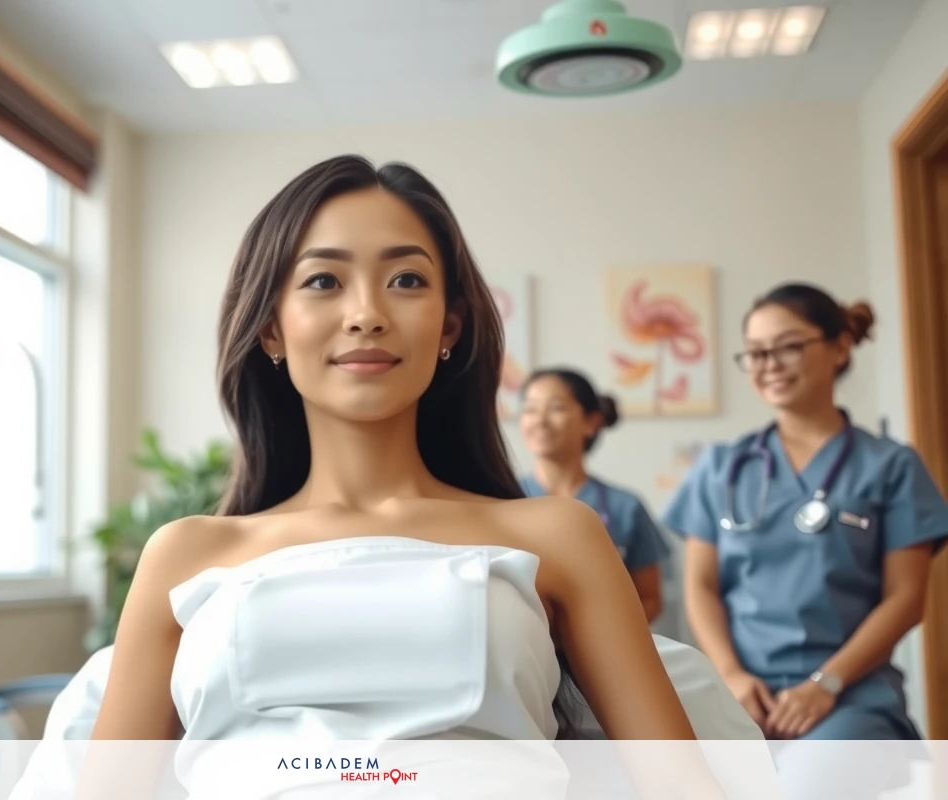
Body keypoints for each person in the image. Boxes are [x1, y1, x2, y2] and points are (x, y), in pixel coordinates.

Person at [88, 154, 698, 758]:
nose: (367, 316)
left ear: (449, 328)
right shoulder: (185, 555)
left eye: (406, 280)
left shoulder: (559, 536)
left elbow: (677, 782)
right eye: (323, 281)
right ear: (272, 328)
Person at [662, 282, 948, 741]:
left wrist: (825, 683)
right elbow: (700, 586)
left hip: (849, 697)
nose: (769, 365)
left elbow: (906, 599)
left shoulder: (891, 466)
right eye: (755, 353)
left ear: (840, 347)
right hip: (739, 694)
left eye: (788, 347)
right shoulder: (722, 468)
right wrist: (731, 675)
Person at [518, 368, 672, 623]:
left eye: (556, 408)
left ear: (592, 422)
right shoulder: (499, 499)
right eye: (530, 409)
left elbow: (650, 599)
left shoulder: (625, 506)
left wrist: (602, 641)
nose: (540, 421)